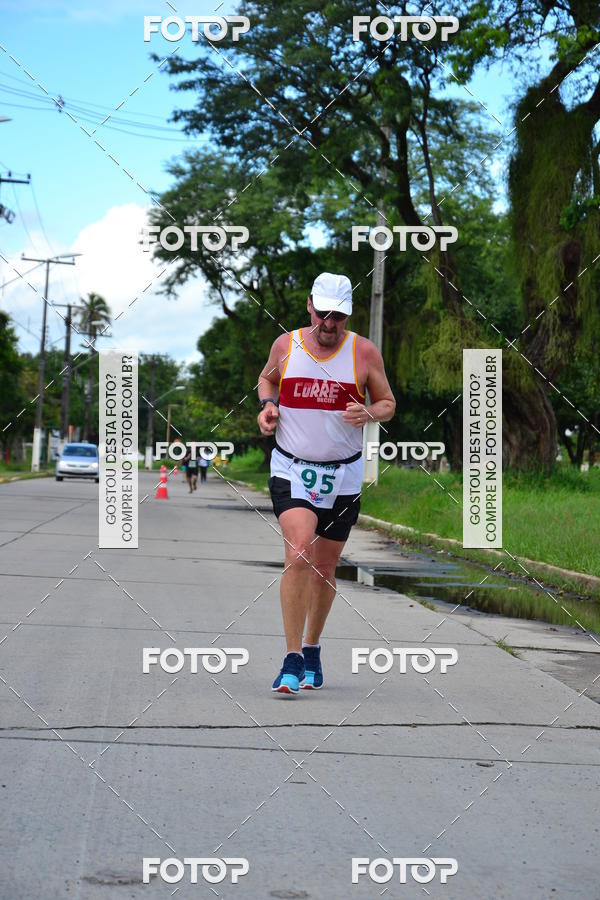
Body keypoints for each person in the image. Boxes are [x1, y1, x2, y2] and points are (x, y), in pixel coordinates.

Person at [257, 272, 395, 695]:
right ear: (309, 307)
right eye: (323, 315)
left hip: (343, 474)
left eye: (338, 316)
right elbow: (267, 379)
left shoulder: (364, 352)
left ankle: (312, 648)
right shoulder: (287, 345)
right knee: (299, 552)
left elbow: (388, 403)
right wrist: (267, 406)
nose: (329, 324)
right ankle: (292, 659)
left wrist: (369, 413)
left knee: (325, 566)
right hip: (292, 468)